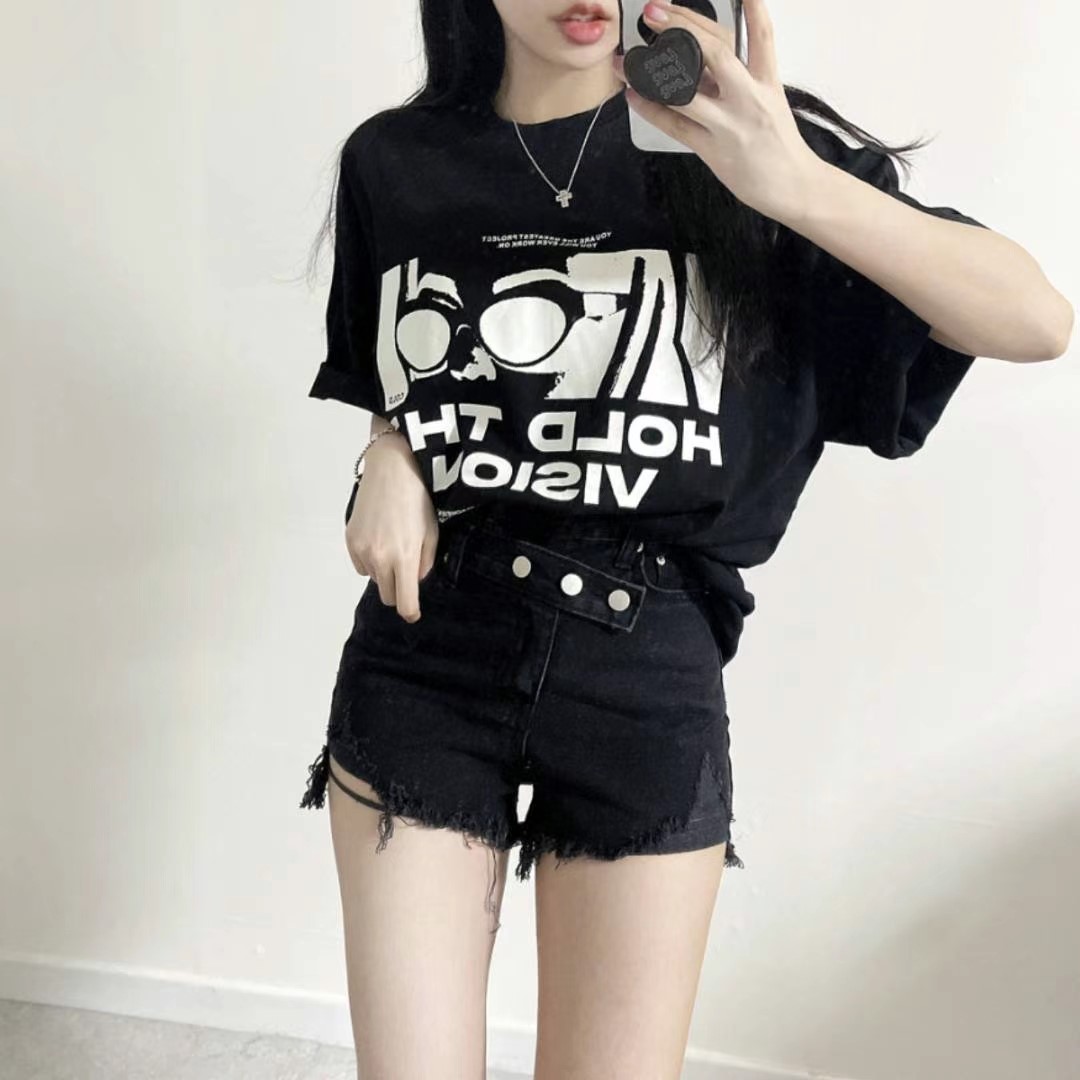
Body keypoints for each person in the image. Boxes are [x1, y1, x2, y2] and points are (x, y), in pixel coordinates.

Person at [298, 1, 1071, 1076]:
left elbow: (1036, 320)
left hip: (646, 671)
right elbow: (416, 372)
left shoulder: (751, 141)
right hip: (428, 649)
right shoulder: (395, 160)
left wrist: (790, 182)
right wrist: (390, 447)